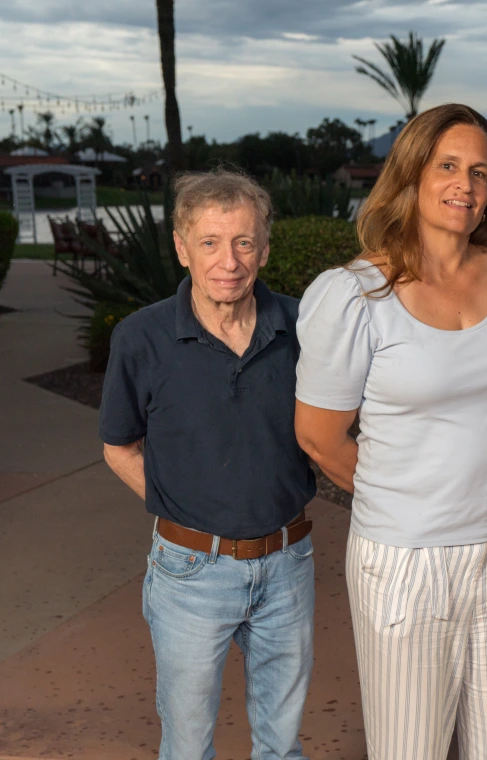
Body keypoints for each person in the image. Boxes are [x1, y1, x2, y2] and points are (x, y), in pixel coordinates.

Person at [293, 103, 487, 760]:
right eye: (448, 166)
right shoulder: (354, 296)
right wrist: (402, 494)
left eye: (481, 172)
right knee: (412, 747)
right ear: (411, 175)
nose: (465, 185)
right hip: (404, 561)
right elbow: (320, 436)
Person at [99, 168, 317, 760]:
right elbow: (118, 446)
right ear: (181, 247)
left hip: (288, 565)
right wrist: (179, 504)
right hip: (189, 574)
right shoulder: (141, 338)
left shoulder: (305, 327)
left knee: (282, 743)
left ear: (265, 249)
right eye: (211, 242)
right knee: (188, 745)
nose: (229, 260)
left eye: (244, 242)